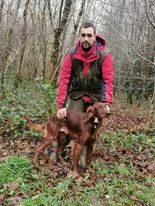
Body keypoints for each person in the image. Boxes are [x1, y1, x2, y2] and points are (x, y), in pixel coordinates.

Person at [55, 21, 114, 168]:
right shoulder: (72, 53)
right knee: (69, 121)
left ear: (94, 37)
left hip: (95, 95)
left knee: (90, 128)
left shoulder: (104, 54)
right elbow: (64, 79)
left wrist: (106, 103)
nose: (86, 39)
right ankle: (58, 151)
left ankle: (82, 157)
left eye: (89, 35)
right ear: (79, 36)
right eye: (83, 35)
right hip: (77, 92)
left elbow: (108, 80)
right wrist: (61, 106)